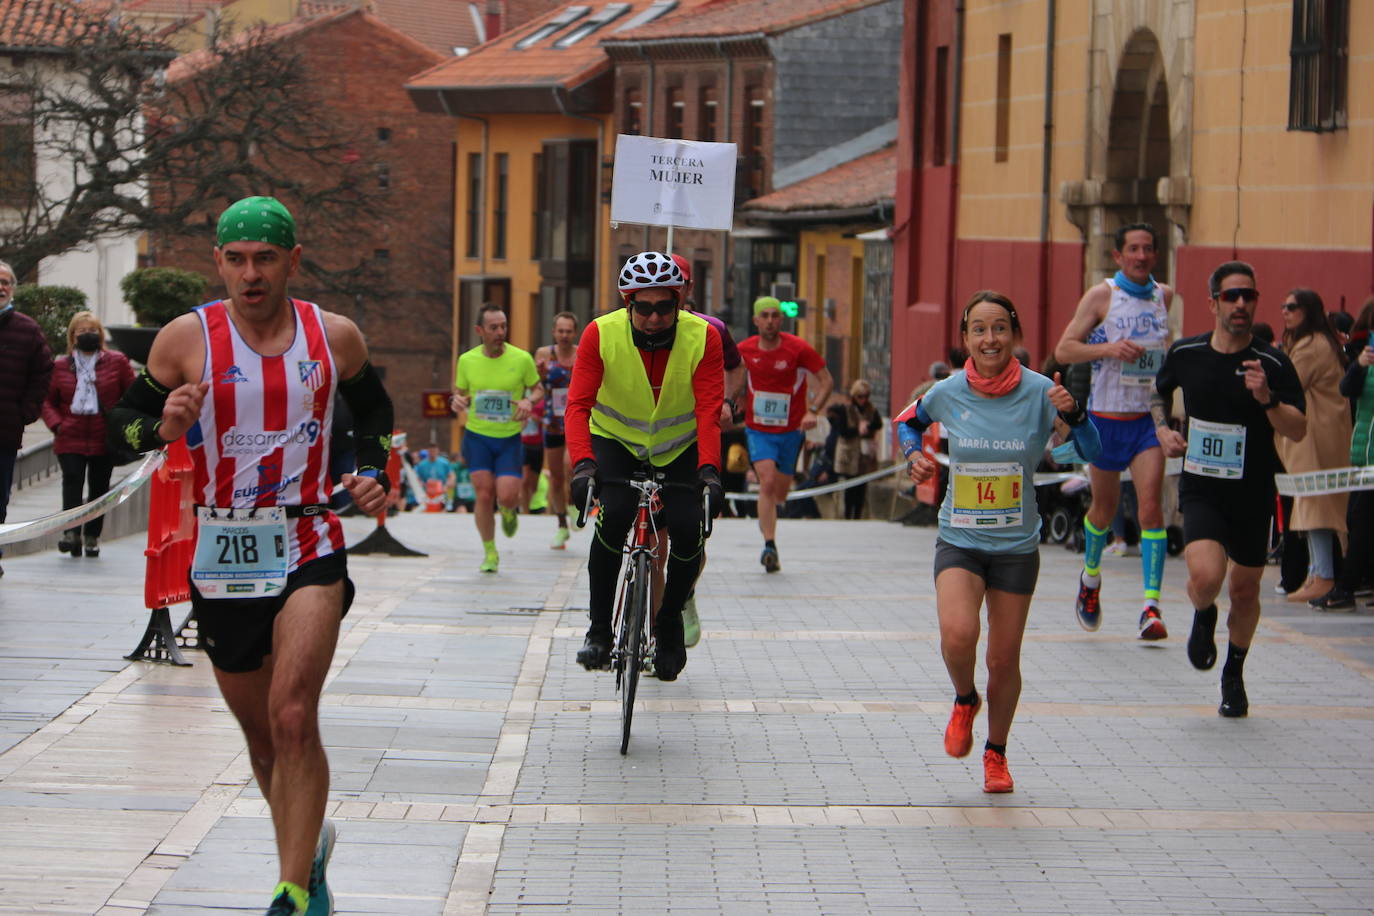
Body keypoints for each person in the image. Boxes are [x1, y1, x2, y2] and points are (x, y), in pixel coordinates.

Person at [107, 196, 393, 915]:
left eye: (265, 257)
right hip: (224, 549)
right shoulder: (185, 339)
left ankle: (292, 891)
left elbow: (376, 410)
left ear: (293, 261)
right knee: (264, 740)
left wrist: (373, 470)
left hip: (309, 539)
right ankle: (311, 848)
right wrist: (162, 427)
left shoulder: (334, 337)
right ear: (219, 264)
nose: (250, 273)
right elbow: (122, 428)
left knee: (294, 714)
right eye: (235, 259)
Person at [899, 291, 1101, 793]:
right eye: (979, 330)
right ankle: (965, 698)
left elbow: (1092, 452)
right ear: (966, 338)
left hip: (1015, 547)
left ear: (1015, 335)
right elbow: (908, 422)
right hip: (960, 539)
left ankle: (996, 752)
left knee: (1004, 659)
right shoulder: (947, 391)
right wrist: (912, 457)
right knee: (958, 635)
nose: (990, 339)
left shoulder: (1040, 392)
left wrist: (1074, 415)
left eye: (1000, 328)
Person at [1152, 260, 1306, 717]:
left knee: (1244, 590)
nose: (1241, 304)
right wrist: (1163, 431)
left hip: (1254, 491)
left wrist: (1267, 399)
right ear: (1214, 302)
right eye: (1231, 296)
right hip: (1202, 486)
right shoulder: (1187, 353)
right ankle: (1203, 613)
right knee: (1206, 577)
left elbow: (1297, 428)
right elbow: (1159, 393)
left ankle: (1234, 674)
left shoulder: (1273, 363)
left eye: (1249, 296)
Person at [565, 251, 724, 681]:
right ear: (627, 303)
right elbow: (577, 406)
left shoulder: (703, 337)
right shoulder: (600, 333)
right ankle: (598, 630)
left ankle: (669, 622)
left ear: (679, 302)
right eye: (643, 308)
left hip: (679, 447)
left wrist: (710, 471)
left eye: (664, 307)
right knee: (613, 516)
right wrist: (582, 466)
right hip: (615, 441)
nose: (654, 318)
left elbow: (709, 411)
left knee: (691, 531)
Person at [1054, 223, 1174, 639]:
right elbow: (1064, 349)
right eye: (1133, 250)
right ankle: (1089, 580)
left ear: (1155, 255)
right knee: (1103, 511)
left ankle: (1151, 608)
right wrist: (1108, 349)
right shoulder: (1102, 296)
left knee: (1149, 509)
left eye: (1148, 249)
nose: (1141, 256)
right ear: (1119, 256)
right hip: (1105, 420)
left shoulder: (1165, 296)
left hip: (1145, 423)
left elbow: (1166, 359)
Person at [738, 296, 833, 571]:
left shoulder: (798, 349)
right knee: (766, 482)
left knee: (780, 491)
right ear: (756, 320)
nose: (770, 320)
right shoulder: (744, 350)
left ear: (782, 319)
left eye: (775, 315)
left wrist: (813, 410)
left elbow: (827, 380)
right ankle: (770, 545)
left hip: (791, 430)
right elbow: (729, 376)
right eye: (764, 315)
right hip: (758, 429)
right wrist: (730, 403)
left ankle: (767, 518)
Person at [450, 304, 543, 573]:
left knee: (507, 495)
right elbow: (460, 393)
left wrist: (529, 401)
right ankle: (490, 551)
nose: (500, 332)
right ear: (480, 331)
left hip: (509, 438)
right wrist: (456, 400)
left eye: (503, 326)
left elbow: (537, 389)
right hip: (477, 436)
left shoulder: (521, 359)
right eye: (494, 327)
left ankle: (510, 510)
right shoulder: (467, 360)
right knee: (483, 493)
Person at [1274, 289, 1350, 603]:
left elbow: (1289, 384)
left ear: (1308, 310)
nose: (1285, 312)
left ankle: (1323, 575)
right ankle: (1318, 572)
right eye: (1283, 305)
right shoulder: (1314, 342)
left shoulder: (1311, 346)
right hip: (1316, 434)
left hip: (1315, 436)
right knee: (1313, 501)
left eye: (1292, 307)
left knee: (1315, 502)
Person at [41, 311, 135, 557]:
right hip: (70, 435)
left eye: (92, 330)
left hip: (104, 436)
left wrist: (121, 423)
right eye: (82, 331)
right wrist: (57, 424)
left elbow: (131, 394)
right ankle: (71, 533)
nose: (87, 335)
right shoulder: (60, 365)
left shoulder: (117, 361)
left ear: (100, 334)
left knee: (99, 488)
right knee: (72, 481)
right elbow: (47, 401)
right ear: (73, 336)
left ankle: (92, 535)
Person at [1315, 296, 1374, 610]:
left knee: (1361, 522)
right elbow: (1346, 390)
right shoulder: (1365, 360)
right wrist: (1360, 365)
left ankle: (1345, 589)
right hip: (1363, 453)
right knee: (1357, 520)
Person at [0, 259, 54, 578]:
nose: (1, 287)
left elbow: (44, 371)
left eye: (7, 282)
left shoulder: (27, 330)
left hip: (3, 434)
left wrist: (26, 412)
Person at [534, 311, 579, 548]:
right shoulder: (544, 354)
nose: (564, 335)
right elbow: (537, 387)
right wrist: (540, 376)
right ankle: (562, 525)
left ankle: (574, 503)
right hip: (552, 422)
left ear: (575, 332)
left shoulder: (581, 354)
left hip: (576, 421)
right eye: (560, 331)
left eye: (568, 331)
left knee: (570, 464)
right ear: (553, 332)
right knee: (555, 476)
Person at [833, 379, 883, 519]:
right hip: (848, 453)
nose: (863, 399)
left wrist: (867, 427)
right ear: (854, 396)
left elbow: (878, 424)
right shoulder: (846, 409)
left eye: (866, 396)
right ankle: (847, 516)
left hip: (863, 455)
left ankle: (858, 516)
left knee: (862, 487)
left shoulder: (871, 409)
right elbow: (842, 431)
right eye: (860, 396)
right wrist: (857, 430)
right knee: (849, 487)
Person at [519, 395, 546, 512]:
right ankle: (524, 510)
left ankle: (528, 505)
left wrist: (537, 419)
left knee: (533, 485)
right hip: (523, 444)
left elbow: (547, 421)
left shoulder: (542, 402)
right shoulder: (520, 400)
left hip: (537, 445)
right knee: (524, 481)